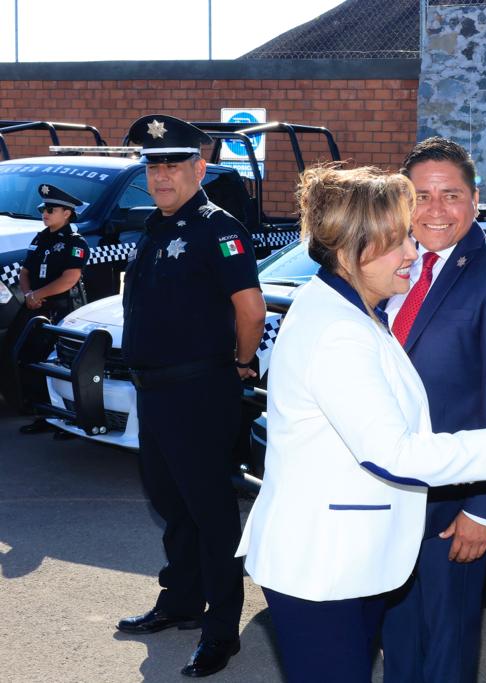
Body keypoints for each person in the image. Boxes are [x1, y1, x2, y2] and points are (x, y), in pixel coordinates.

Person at [234, 165, 486, 682]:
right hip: (324, 566)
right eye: (395, 242)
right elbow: (394, 452)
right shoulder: (339, 330)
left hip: (349, 558)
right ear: (349, 251)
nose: (412, 252)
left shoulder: (353, 309)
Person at [380, 137, 486, 683]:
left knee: (445, 649)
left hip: (454, 505)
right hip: (390, 493)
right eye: (420, 196)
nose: (435, 210)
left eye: (450, 195)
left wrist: (484, 510)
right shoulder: (389, 266)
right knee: (399, 641)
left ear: (475, 199)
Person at [115, 115, 266, 679]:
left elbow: (251, 310)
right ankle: (181, 600)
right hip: (155, 392)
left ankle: (221, 629)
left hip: (199, 390)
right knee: (170, 501)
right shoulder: (154, 226)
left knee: (210, 512)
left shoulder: (217, 227)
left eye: (173, 164)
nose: (161, 175)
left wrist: (241, 363)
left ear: (199, 168)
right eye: (153, 165)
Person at [1, 184, 89, 431]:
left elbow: (69, 279)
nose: (45, 213)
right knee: (28, 357)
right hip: (37, 307)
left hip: (63, 309)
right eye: (43, 209)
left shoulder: (75, 242)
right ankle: (42, 413)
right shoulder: (41, 237)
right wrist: (29, 295)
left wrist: (36, 295)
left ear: (67, 213)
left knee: (60, 364)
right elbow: (25, 271)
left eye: (51, 210)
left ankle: (70, 418)